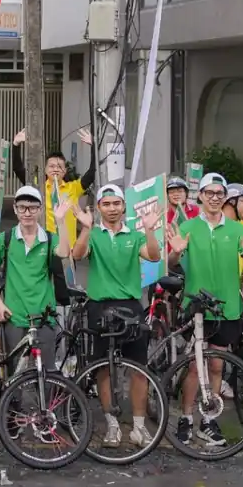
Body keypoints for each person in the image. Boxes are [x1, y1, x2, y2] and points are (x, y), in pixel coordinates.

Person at [167, 171, 243, 448]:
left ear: (225, 198)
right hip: (196, 306)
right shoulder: (187, 227)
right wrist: (175, 251)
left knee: (217, 365)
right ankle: (186, 418)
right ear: (200, 196)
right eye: (209, 193)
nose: (214, 198)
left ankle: (209, 420)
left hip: (228, 308)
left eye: (219, 194)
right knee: (196, 368)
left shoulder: (236, 229)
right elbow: (173, 261)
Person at [67, 184, 162, 448]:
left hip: (131, 306)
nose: (112, 209)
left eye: (116, 204)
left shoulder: (134, 235)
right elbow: (77, 255)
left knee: (138, 369)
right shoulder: (94, 234)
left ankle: (139, 427)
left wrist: (150, 230)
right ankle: (111, 425)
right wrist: (85, 228)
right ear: (98, 208)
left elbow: (154, 257)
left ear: (124, 207)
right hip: (100, 307)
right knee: (103, 370)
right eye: (106, 204)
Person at [0, 186, 66, 372]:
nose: (27, 212)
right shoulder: (5, 239)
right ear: (15, 209)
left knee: (47, 373)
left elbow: (63, 251)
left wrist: (60, 222)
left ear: (39, 209)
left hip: (44, 317)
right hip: (15, 316)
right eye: (22, 207)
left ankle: (41, 403)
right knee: (15, 374)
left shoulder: (49, 239)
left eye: (32, 207)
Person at [11, 127, 92, 238]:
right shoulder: (38, 187)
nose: (55, 169)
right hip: (45, 246)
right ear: (45, 169)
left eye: (59, 167)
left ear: (65, 171)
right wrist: (16, 145)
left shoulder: (74, 188)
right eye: (52, 166)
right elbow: (18, 169)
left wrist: (93, 147)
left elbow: (92, 173)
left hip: (68, 249)